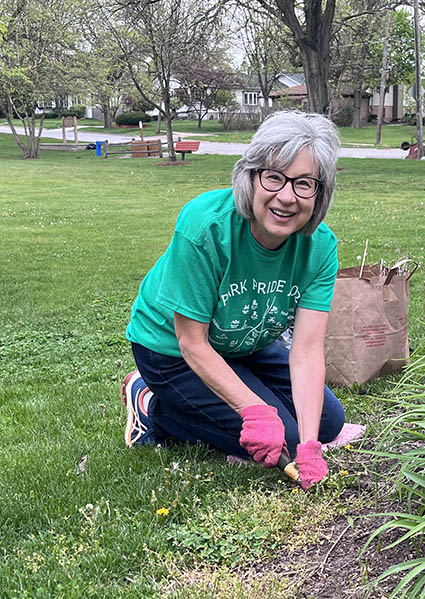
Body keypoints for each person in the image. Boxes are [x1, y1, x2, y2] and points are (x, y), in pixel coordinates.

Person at [122, 110, 345, 490]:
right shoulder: (205, 226)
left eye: (304, 184)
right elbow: (191, 342)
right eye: (274, 177)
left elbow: (306, 352)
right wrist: (254, 410)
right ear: (251, 177)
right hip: (171, 351)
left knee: (326, 424)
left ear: (319, 193)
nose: (286, 197)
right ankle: (151, 404)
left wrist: (309, 446)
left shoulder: (320, 247)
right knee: (280, 439)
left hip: (244, 342)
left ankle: (256, 407)